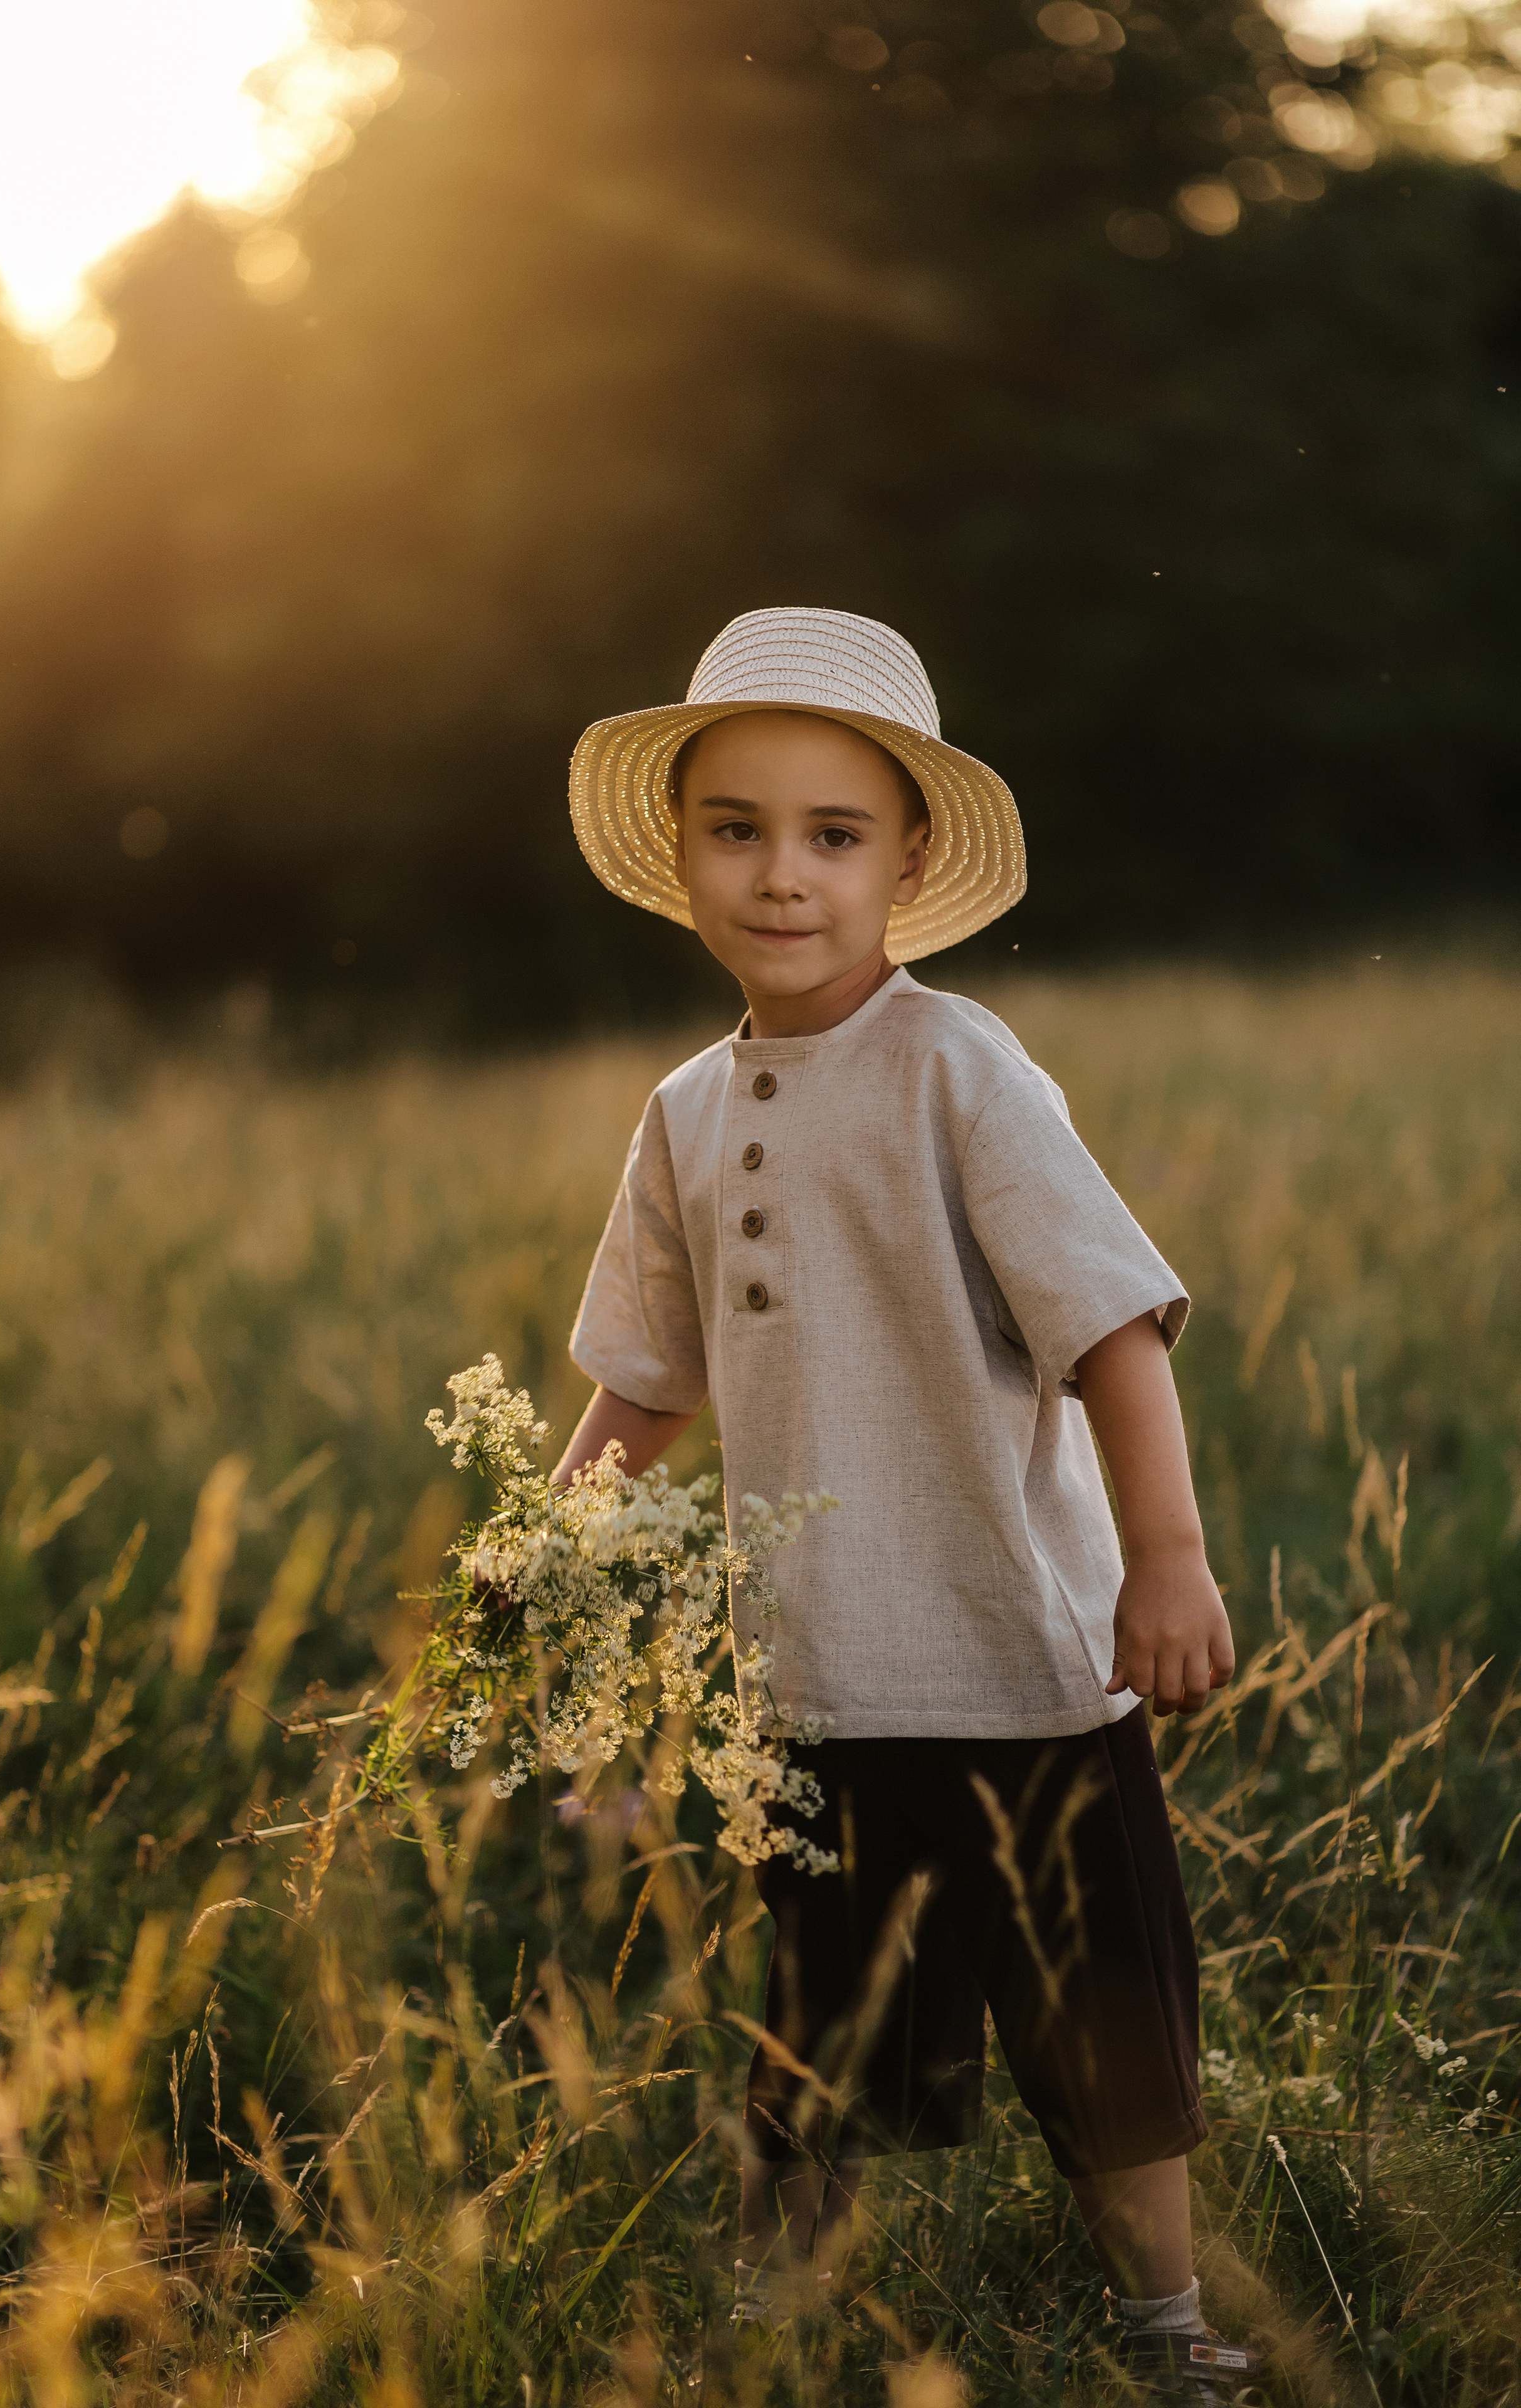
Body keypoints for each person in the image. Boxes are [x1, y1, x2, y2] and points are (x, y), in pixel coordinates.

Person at [550, 607, 1261, 2399]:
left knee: (1100, 2034)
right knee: (818, 2051)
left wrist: (1164, 1562)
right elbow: (647, 1375)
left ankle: (1167, 2336)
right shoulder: (687, 1115)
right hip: (812, 1680)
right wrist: (545, 1543)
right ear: (686, 854)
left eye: (832, 834)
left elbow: (1111, 1329)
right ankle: (784, 2343)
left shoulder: (959, 1067)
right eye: (737, 828)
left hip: (1021, 1660)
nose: (779, 874)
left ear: (909, 860)